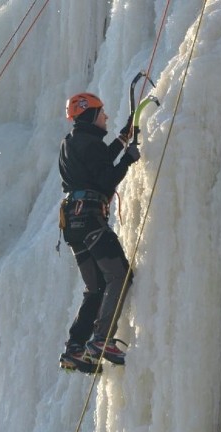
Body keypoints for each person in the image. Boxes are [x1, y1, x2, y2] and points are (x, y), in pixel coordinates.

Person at [58, 92, 140, 374]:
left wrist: (122, 139)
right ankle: (101, 340)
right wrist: (128, 159)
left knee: (96, 288)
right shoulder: (88, 144)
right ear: (91, 114)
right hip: (90, 219)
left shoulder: (71, 143)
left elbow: (99, 161)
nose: (105, 116)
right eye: (101, 112)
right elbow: (105, 180)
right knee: (120, 274)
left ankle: (75, 348)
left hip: (72, 224)